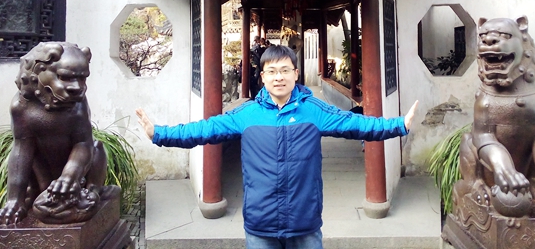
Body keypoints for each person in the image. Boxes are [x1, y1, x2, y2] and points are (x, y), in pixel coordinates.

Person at [136, 45, 418, 249]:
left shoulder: (313, 110)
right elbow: (204, 130)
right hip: (261, 223)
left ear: (296, 74)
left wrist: (398, 125)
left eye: (285, 70)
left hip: (304, 221)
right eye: (271, 71)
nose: (278, 77)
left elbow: (355, 124)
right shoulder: (247, 114)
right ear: (262, 77)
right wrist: (159, 133)